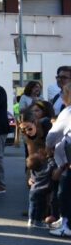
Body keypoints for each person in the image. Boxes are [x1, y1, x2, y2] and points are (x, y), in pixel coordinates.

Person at [47, 82, 71, 237]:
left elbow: (54, 134)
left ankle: (67, 224)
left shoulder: (68, 112)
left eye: (64, 93)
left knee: (66, 191)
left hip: (69, 156)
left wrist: (48, 146)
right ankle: (65, 220)